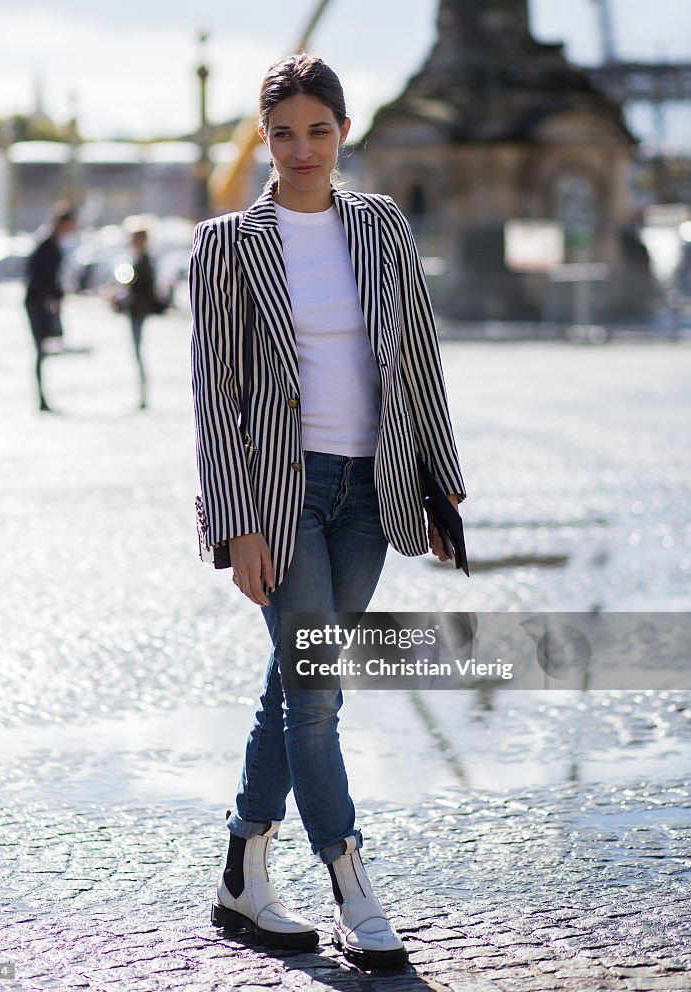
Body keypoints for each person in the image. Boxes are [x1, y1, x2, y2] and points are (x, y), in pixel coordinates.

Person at [189, 54, 466, 971]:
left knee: (297, 675)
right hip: (282, 493)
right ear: (263, 138)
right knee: (316, 694)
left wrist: (437, 486)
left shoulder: (382, 226)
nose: (300, 149)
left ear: (342, 131)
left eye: (317, 130)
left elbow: (417, 358)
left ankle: (241, 871)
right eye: (282, 132)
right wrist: (236, 528)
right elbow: (214, 398)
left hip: (369, 487)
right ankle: (351, 884)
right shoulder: (227, 243)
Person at [24, 202, 76, 412]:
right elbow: (41, 276)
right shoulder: (46, 244)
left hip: (43, 302)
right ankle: (41, 398)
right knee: (39, 351)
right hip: (37, 303)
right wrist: (56, 295)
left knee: (43, 351)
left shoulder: (53, 243)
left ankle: (43, 397)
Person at [116, 228, 158, 410]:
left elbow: (143, 290)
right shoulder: (138, 259)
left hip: (138, 311)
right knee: (136, 352)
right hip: (137, 311)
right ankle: (142, 395)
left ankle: (143, 395)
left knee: (138, 353)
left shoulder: (144, 260)